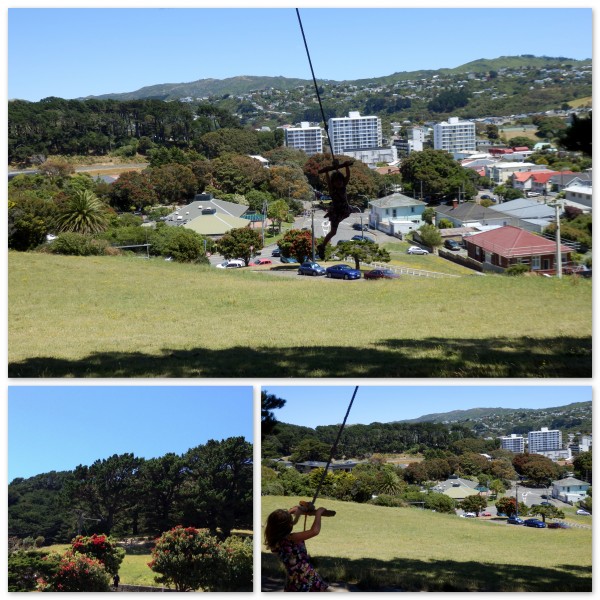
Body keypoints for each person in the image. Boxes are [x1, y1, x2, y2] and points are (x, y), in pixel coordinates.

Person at [264, 505, 330, 592]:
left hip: (292, 581)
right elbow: (315, 531)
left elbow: (278, 521)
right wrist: (318, 513)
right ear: (286, 525)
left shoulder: (274, 540)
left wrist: (292, 511)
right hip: (306, 578)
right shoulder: (291, 538)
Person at [317, 160, 353, 256]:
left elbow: (348, 177)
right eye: (337, 182)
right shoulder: (332, 189)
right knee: (333, 232)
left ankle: (322, 246)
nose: (339, 183)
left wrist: (346, 167)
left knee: (334, 231)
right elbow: (329, 181)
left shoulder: (343, 187)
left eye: (340, 181)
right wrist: (327, 173)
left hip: (344, 210)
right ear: (333, 183)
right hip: (336, 213)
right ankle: (322, 246)